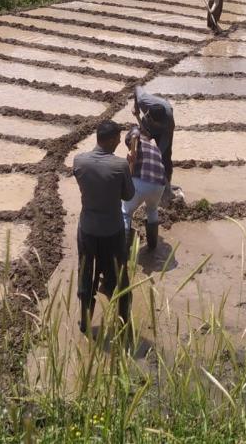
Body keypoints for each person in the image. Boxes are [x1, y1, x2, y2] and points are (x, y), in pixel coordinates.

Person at [73, 120, 135, 334]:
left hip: (88, 229)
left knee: (85, 274)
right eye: (118, 138)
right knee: (120, 275)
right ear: (109, 140)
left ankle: (84, 323)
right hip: (112, 231)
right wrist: (129, 168)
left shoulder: (79, 161)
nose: (120, 141)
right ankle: (123, 321)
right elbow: (128, 195)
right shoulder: (120, 165)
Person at [122, 125, 166, 251]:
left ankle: (123, 248)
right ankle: (152, 245)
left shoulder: (137, 138)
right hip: (159, 184)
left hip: (141, 181)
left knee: (126, 212)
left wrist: (134, 134)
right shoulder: (154, 147)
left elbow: (134, 132)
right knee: (152, 210)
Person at [132, 87, 176, 202]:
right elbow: (136, 88)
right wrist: (136, 106)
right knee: (139, 149)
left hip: (163, 133)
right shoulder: (143, 100)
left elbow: (162, 148)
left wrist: (157, 155)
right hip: (146, 126)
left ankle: (166, 188)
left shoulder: (168, 124)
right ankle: (140, 180)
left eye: (156, 124)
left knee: (165, 158)